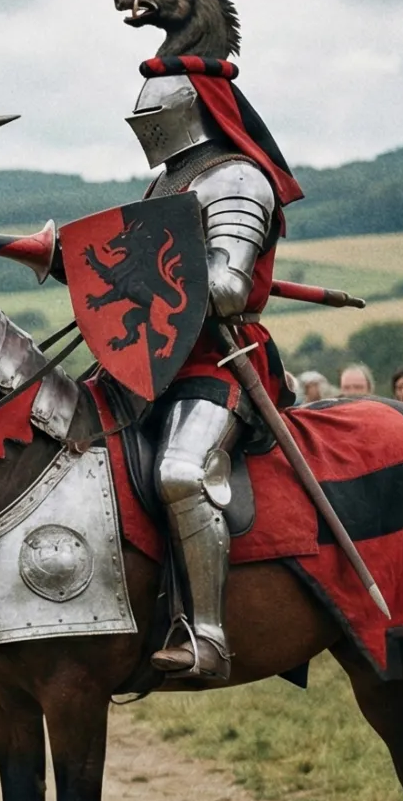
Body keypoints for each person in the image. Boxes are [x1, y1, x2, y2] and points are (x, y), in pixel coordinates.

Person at [100, 49, 306, 683]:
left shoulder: (238, 179)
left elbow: (226, 290)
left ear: (191, 109)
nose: (144, 126)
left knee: (183, 473)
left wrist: (132, 271)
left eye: (153, 113)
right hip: (150, 362)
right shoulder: (167, 184)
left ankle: (206, 634)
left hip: (217, 362)